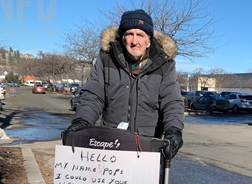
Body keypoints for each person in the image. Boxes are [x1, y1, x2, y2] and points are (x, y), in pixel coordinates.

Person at [67, 9, 184, 157]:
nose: (134, 41)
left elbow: (172, 102)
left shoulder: (165, 64)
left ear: (149, 41)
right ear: (122, 38)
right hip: (110, 145)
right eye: (129, 34)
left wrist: (174, 130)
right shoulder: (107, 58)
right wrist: (82, 122)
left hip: (148, 146)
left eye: (140, 35)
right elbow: (93, 95)